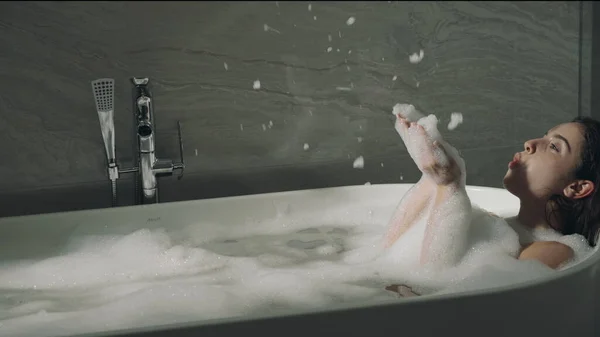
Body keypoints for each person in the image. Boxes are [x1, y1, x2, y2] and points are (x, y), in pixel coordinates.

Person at [383, 105, 600, 297]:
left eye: (554, 147)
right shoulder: (496, 225)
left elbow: (436, 292)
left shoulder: (556, 251)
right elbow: (386, 255)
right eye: (544, 136)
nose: (530, 143)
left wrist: (450, 185)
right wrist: (432, 176)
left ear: (577, 187)